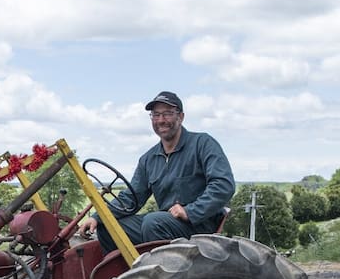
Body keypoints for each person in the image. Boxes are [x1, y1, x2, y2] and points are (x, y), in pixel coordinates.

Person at [79, 91, 235, 251]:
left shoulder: (202, 144)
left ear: (180, 117)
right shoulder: (149, 158)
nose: (161, 120)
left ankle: (158, 275)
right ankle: (125, 275)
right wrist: (98, 218)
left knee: (153, 222)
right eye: (156, 115)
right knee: (109, 228)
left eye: (167, 113)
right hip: (167, 224)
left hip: (199, 225)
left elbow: (223, 185)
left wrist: (190, 211)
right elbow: (130, 199)